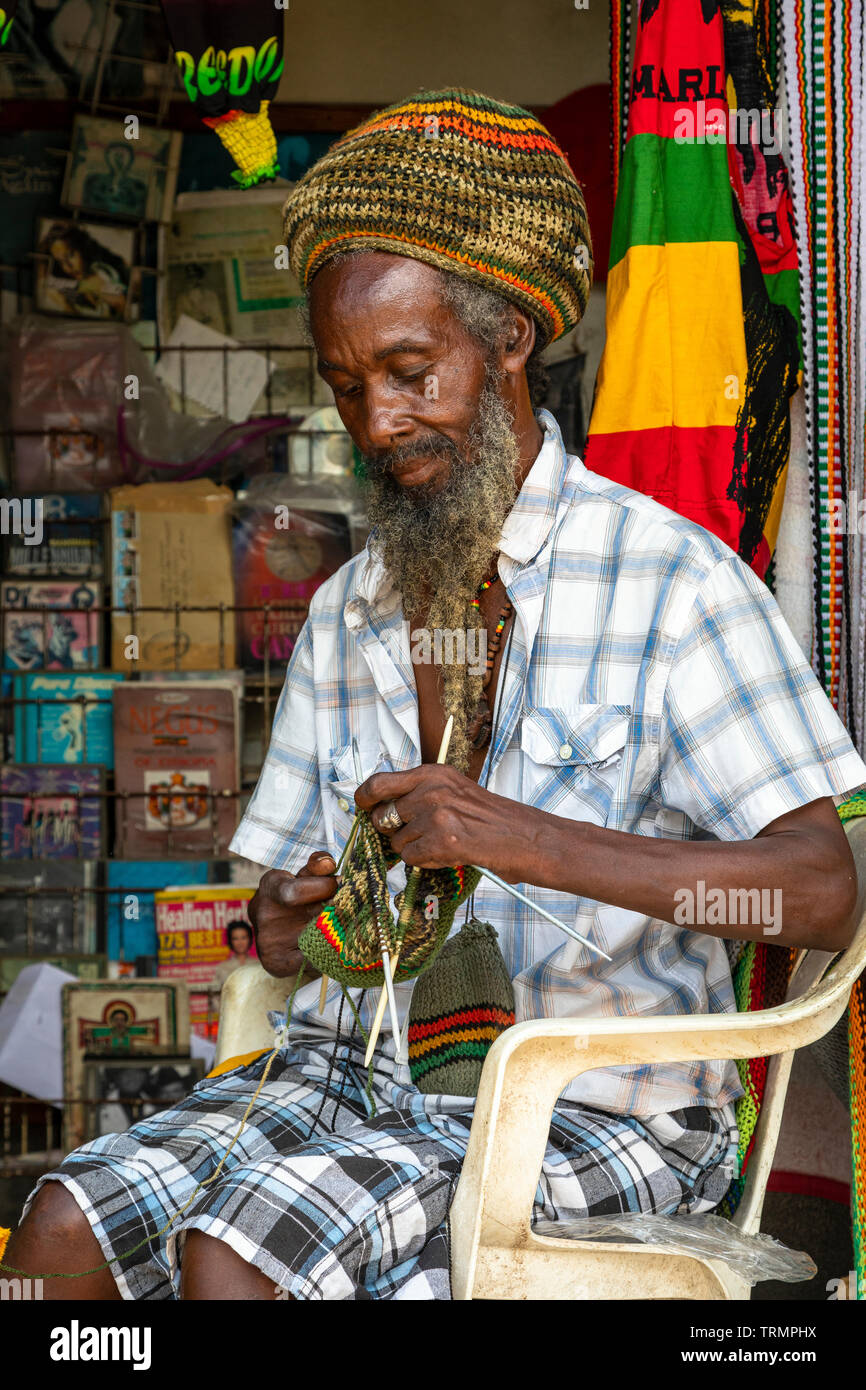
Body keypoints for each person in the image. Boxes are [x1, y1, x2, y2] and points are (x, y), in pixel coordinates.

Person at [8, 87, 866, 1302]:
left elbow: (821, 895)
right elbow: (281, 932)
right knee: (55, 1235)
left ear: (510, 339)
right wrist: (296, 920)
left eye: (410, 373)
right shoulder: (349, 609)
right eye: (348, 386)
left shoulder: (673, 587)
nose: (378, 422)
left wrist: (520, 838)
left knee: (236, 1251)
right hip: (346, 1075)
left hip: (588, 1102)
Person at [209, 921, 254, 990]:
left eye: (243, 937)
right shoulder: (222, 968)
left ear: (250, 939)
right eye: (235, 938)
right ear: (230, 941)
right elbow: (215, 995)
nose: (240, 942)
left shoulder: (258, 965)